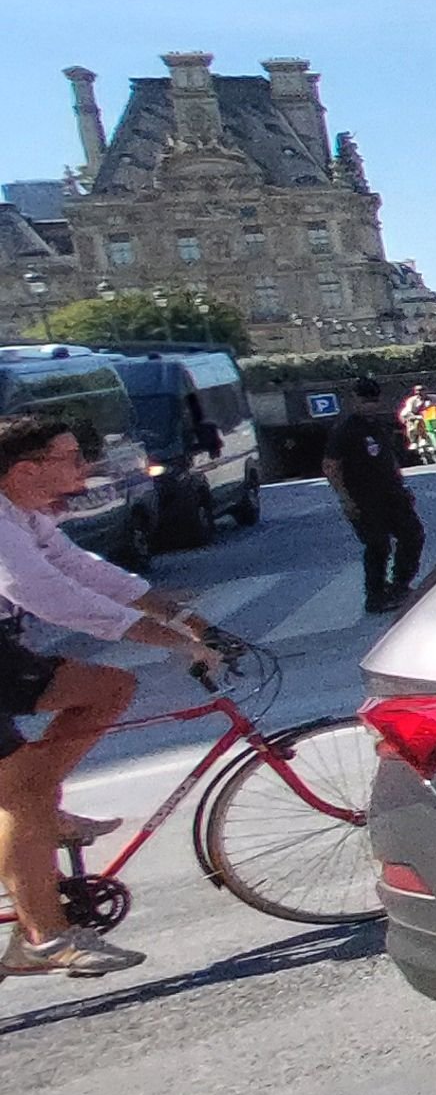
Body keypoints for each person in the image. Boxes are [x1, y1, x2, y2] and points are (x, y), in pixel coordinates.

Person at [1, 412, 214, 977]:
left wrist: (166, 607)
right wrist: (163, 638)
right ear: (26, 470)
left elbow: (73, 564)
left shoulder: (22, 511)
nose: (85, 466)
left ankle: (41, 809)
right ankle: (43, 939)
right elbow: (44, 592)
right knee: (21, 793)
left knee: (107, 688)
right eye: (70, 457)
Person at [324, 374, 427, 610]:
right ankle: (376, 595)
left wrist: (402, 485)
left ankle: (400, 585)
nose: (369, 405)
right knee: (378, 545)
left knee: (413, 535)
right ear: (355, 400)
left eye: (373, 400)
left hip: (391, 494)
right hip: (364, 499)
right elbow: (331, 466)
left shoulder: (379, 426)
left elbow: (388, 458)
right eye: (364, 400)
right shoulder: (345, 430)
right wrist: (345, 499)